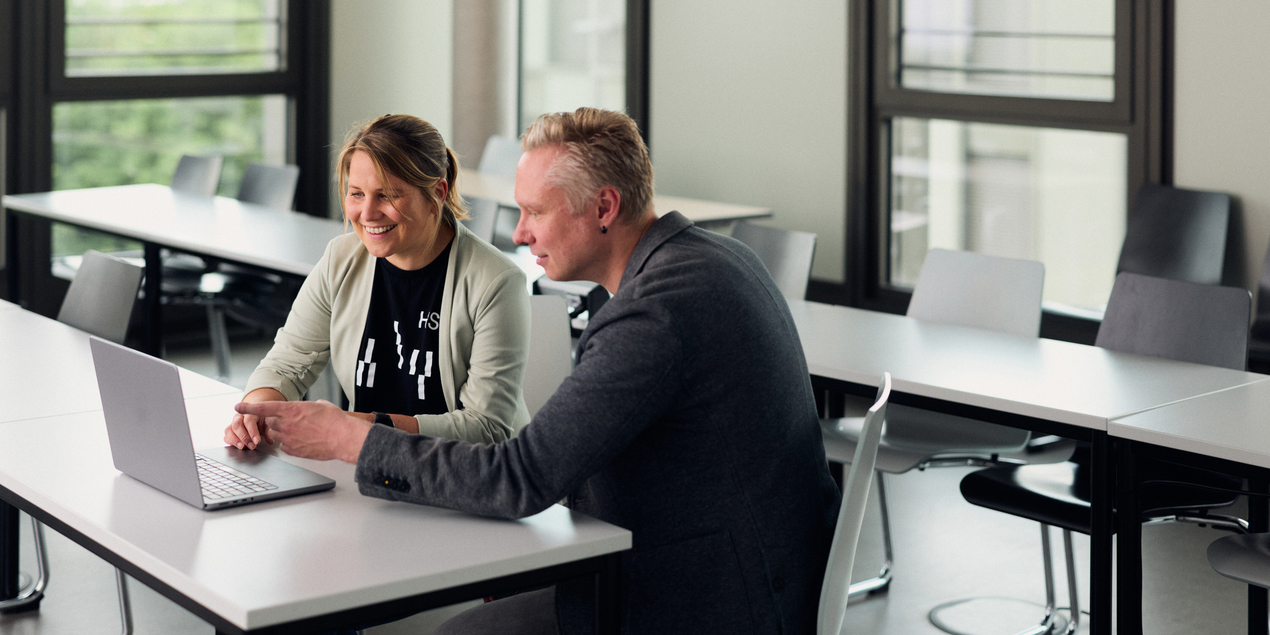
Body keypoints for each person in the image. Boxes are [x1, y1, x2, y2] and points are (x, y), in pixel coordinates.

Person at [235, 108, 840, 634]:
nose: (519, 233)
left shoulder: (652, 315)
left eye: (534, 212)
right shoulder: (715, 257)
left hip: (700, 599)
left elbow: (519, 477)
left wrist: (354, 436)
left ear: (604, 206)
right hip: (746, 567)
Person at [225, 114, 531, 449]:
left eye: (386, 195)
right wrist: (254, 411)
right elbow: (288, 362)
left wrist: (353, 427)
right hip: (372, 466)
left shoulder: (496, 281)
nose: (367, 213)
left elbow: (486, 428)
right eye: (356, 193)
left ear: (437, 194)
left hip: (466, 477)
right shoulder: (340, 259)